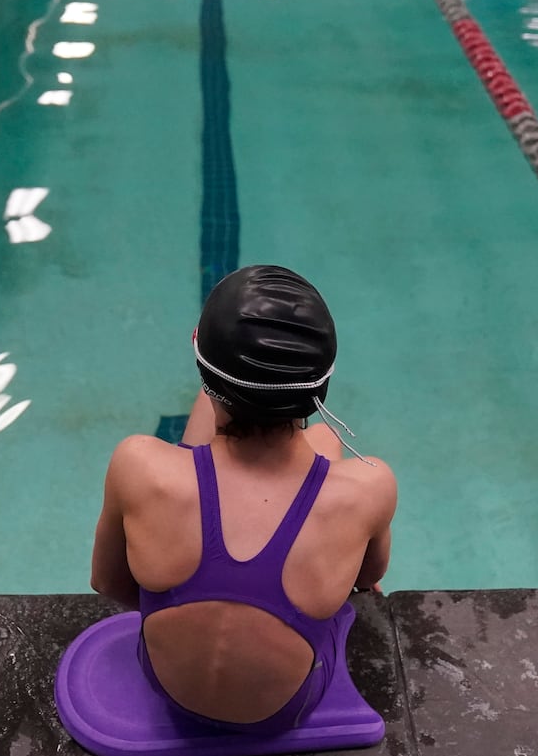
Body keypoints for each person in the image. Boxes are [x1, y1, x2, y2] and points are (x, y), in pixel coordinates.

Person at [89, 265, 397, 731]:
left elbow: (108, 583)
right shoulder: (372, 484)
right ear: (321, 386)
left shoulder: (137, 465)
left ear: (202, 364)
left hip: (168, 688)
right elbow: (368, 579)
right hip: (284, 709)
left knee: (200, 454)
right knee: (327, 449)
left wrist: (194, 593)